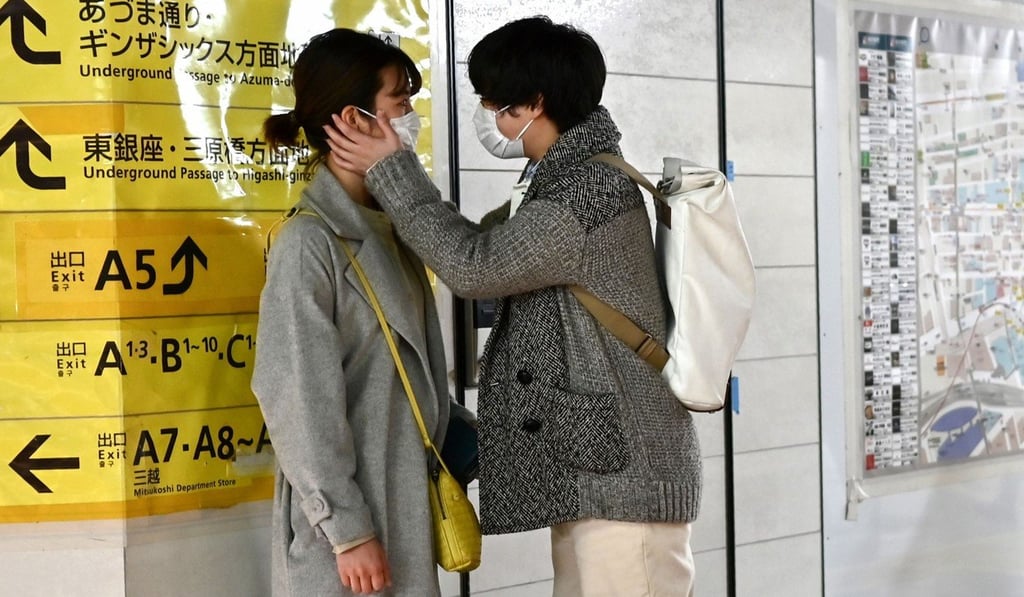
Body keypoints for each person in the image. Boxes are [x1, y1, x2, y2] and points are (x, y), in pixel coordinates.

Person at [325, 16, 701, 596]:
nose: (488, 115)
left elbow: (476, 266)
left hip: (629, 483)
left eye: (494, 102)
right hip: (601, 471)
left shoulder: (586, 191)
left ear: (534, 104)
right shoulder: (558, 179)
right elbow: (482, 248)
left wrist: (392, 170)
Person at [250, 28, 449, 597]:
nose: (410, 116)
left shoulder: (392, 227)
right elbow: (297, 397)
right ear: (353, 119)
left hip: (404, 503)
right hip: (347, 539)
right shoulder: (309, 243)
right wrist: (346, 529)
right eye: (399, 102)